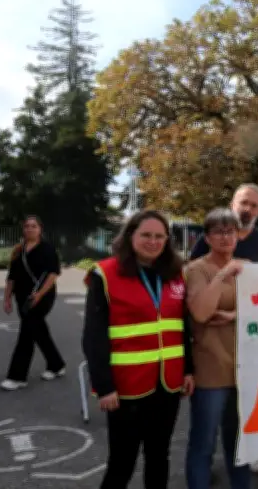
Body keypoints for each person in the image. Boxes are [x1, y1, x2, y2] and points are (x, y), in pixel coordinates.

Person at [82, 209, 195, 489]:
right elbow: (93, 336)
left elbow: (183, 327)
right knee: (122, 462)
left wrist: (189, 370)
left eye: (159, 236)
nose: (153, 241)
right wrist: (103, 386)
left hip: (168, 383)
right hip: (126, 386)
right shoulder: (105, 274)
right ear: (130, 236)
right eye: (146, 235)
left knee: (159, 457)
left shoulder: (176, 274)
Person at [185, 208, 251, 489]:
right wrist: (223, 273)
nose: (225, 237)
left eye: (230, 231)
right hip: (211, 369)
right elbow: (200, 312)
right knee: (204, 442)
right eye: (218, 232)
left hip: (245, 368)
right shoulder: (195, 269)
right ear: (207, 238)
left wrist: (235, 314)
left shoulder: (248, 266)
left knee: (240, 445)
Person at [1, 216, 66, 391]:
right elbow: (11, 278)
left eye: (34, 226)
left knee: (26, 333)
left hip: (43, 297)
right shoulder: (18, 251)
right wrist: (7, 298)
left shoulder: (47, 249)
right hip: (23, 298)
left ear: (40, 229)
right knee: (38, 331)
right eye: (27, 226)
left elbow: (53, 274)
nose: (30, 229)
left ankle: (17, 376)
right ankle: (56, 364)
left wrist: (39, 294)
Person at [190, 183, 258, 262]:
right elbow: (191, 271)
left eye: (254, 206)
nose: (248, 209)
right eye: (243, 203)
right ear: (232, 205)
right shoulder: (211, 237)